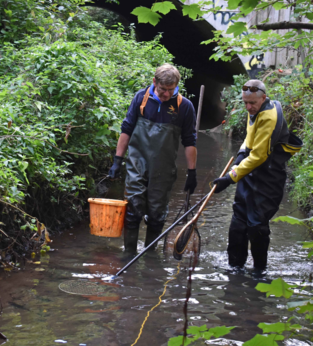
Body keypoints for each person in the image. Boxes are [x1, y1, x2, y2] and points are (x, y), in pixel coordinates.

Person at [107, 64, 198, 254]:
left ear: (176, 86)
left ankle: (149, 255)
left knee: (156, 214)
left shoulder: (184, 107)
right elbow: (126, 130)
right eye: (162, 89)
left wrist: (192, 172)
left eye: (170, 90)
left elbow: (189, 141)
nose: (166, 94)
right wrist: (117, 160)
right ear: (154, 82)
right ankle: (129, 254)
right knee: (133, 210)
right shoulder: (141, 98)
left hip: (163, 169)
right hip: (136, 163)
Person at [213, 79, 302, 271]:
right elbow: (249, 138)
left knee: (257, 227)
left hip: (268, 179)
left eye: (252, 103)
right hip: (250, 175)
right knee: (238, 224)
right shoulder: (253, 111)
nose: (248, 107)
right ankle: (235, 267)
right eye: (245, 102)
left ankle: (260, 272)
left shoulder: (269, 117)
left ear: (264, 98)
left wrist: (230, 178)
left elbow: (259, 156)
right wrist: (240, 156)